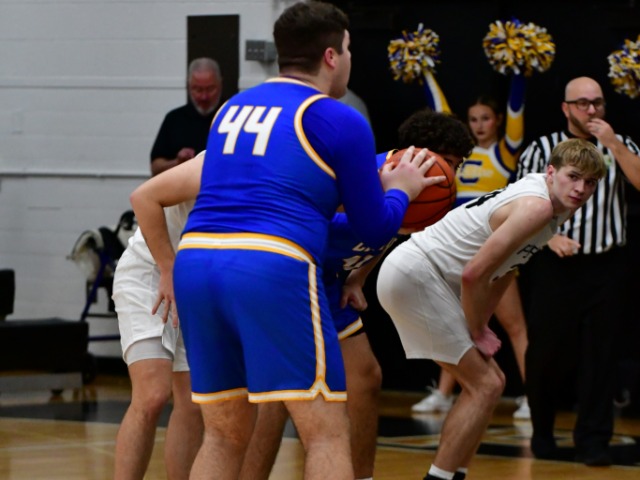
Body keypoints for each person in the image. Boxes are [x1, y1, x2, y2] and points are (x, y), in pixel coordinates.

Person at [130, 2, 437, 479]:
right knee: (326, 432)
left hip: (196, 262)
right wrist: (402, 191)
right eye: (348, 49)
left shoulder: (232, 108)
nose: (349, 59)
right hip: (270, 263)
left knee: (223, 433)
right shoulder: (339, 118)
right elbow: (374, 227)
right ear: (331, 56)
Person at [238, 109, 474, 480]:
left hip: (327, 280)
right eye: (446, 162)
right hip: (288, 272)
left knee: (365, 377)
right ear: (415, 154)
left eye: (455, 167)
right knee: (280, 399)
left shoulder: (417, 192)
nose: (449, 176)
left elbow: (387, 230)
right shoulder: (367, 174)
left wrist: (356, 279)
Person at [377, 138, 607, 480]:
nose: (580, 188)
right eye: (573, 177)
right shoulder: (537, 207)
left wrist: (481, 323)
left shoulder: (553, 206)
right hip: (417, 273)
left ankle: (453, 473)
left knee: (492, 383)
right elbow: (474, 274)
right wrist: (476, 329)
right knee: (485, 384)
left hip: (423, 276)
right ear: (550, 172)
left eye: (590, 182)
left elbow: (504, 271)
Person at [516, 76, 640, 466]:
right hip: (556, 264)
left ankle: (594, 441)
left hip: (607, 266)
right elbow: (518, 202)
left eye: (597, 102)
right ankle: (542, 432)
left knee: (602, 357)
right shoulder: (542, 148)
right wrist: (549, 237)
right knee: (547, 354)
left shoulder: (621, 144)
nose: (591, 110)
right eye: (582, 103)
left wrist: (614, 144)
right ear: (565, 108)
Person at [413, 75, 531, 420]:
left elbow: (516, 108)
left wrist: (519, 70)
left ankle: (534, 397)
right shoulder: (457, 157)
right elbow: (440, 111)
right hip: (460, 249)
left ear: (497, 121)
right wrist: (424, 71)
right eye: (474, 119)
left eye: (486, 119)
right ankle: (443, 394)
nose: (479, 125)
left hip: (495, 250)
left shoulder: (504, 152)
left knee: (515, 326)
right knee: (457, 324)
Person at [112, 155, 206, 480]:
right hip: (152, 270)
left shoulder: (277, 170)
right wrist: (168, 267)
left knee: (193, 402)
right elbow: (142, 197)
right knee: (152, 394)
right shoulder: (212, 162)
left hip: (194, 280)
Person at [150, 57, 223, 176]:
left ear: (220, 85)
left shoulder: (232, 116)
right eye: (198, 89)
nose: (204, 97)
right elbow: (155, 167)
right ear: (188, 86)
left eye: (210, 89)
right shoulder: (174, 119)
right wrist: (177, 162)